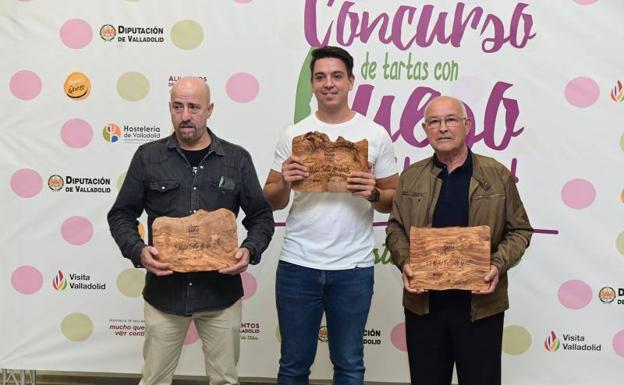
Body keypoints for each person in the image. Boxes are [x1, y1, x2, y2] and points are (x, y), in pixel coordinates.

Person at [107, 76, 274, 385]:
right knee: (154, 379)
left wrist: (250, 250)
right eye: (178, 107)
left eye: (194, 107)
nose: (185, 116)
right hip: (164, 296)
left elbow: (262, 216)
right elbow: (121, 214)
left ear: (209, 109)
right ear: (170, 109)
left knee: (225, 379)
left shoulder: (236, 159)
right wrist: (138, 250)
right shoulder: (148, 157)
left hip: (220, 296)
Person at [263, 46, 398, 385]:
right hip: (298, 264)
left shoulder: (375, 134)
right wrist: (286, 181)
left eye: (337, 76)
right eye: (320, 77)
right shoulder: (293, 134)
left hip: (353, 267)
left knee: (350, 364)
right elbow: (272, 200)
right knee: (293, 364)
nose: (329, 83)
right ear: (312, 84)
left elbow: (393, 201)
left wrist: (374, 193)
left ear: (351, 81)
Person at [386, 96, 533, 385]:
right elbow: (395, 229)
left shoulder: (496, 174)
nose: (443, 128)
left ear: (466, 125)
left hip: (480, 308)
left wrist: (496, 265)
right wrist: (405, 262)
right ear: (425, 129)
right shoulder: (411, 177)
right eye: (434, 122)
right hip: (424, 305)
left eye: (451, 120)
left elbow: (520, 231)